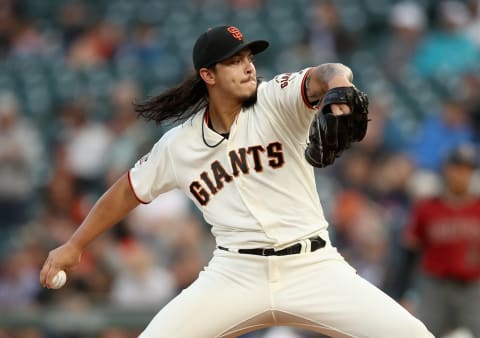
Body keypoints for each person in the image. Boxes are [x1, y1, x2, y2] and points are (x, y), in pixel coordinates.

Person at [40, 25, 433, 338]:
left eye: (248, 57)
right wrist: (76, 244)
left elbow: (326, 73)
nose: (248, 66)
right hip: (235, 272)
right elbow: (127, 190)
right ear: (208, 75)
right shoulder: (179, 145)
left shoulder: (275, 100)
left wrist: (341, 86)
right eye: (234, 61)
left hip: (314, 266)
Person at [395, 144, 480, 337]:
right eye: (457, 168)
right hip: (436, 286)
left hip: (473, 287)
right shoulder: (428, 208)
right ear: (446, 169)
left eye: (467, 170)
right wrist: (403, 292)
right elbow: (410, 253)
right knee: (423, 333)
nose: (461, 175)